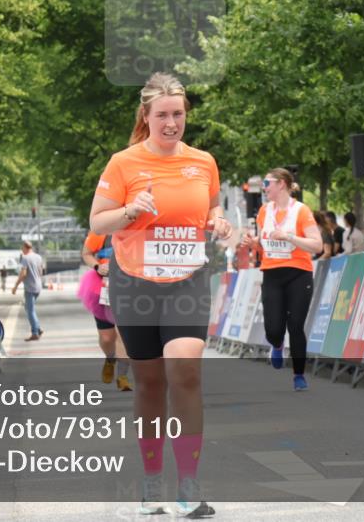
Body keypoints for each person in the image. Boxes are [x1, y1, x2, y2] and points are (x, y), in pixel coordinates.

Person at [89, 73, 230, 518]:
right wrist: (130, 211)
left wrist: (220, 223)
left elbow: (212, 209)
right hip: (135, 284)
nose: (172, 123)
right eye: (163, 115)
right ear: (146, 117)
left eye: (179, 115)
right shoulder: (123, 163)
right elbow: (98, 222)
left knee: (185, 371)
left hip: (187, 281)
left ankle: (189, 484)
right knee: (149, 384)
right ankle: (153, 484)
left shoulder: (203, 162)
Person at [241, 169, 323, 392]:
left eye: (268, 182)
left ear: (283, 184)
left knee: (295, 325)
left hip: (298, 273)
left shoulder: (301, 211)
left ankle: (299, 375)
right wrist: (253, 242)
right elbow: (264, 244)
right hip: (272, 274)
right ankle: (276, 345)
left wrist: (289, 237)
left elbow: (318, 245)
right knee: (274, 329)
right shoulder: (264, 212)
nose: (265, 187)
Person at [77, 231, 133, 391]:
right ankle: (110, 358)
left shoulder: (137, 228)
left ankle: (122, 377)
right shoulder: (101, 231)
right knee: (107, 338)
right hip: (102, 287)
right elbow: (86, 253)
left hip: (129, 287)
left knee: (122, 334)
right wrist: (97, 266)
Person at [11, 240, 45, 341]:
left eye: (22, 248)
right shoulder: (38, 257)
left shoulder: (25, 258)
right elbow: (41, 271)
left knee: (30, 311)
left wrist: (15, 286)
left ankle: (35, 333)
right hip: (38, 287)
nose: (22, 250)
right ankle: (38, 328)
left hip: (30, 288)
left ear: (25, 248)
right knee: (29, 308)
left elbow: (23, 274)